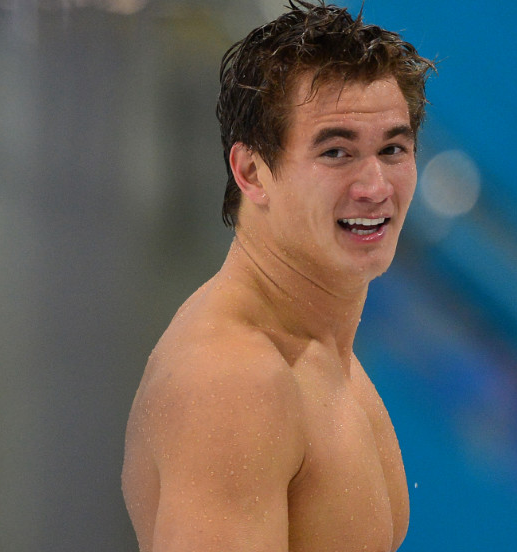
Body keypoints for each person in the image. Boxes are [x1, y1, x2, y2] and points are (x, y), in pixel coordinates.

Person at [121, 2, 435, 551]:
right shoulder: (235, 381)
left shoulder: (319, 352)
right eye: (336, 152)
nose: (375, 186)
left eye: (392, 149)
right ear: (251, 171)